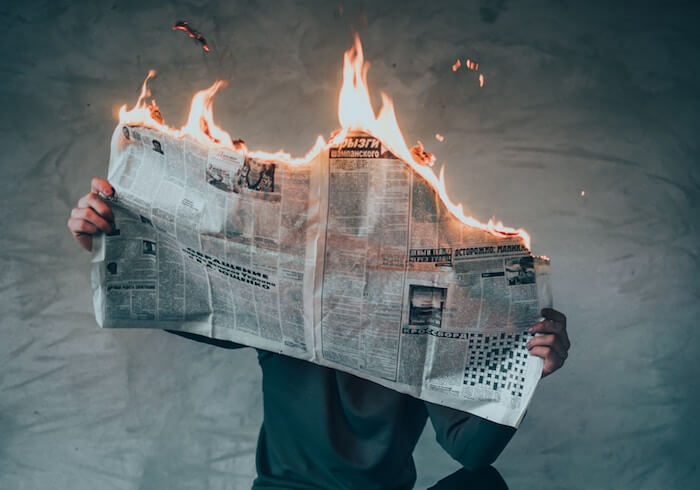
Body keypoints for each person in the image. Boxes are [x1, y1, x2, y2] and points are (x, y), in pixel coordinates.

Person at [68, 178, 571, 490]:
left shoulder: (427, 324)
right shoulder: (283, 300)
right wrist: (108, 238)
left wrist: (525, 371)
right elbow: (186, 304)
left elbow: (473, 454)